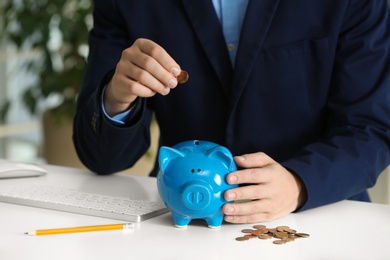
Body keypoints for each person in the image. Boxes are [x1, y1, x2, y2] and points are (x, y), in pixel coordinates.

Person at [73, 0, 390, 224]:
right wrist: (116, 98)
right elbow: (101, 158)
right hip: (178, 222)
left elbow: (371, 128)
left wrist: (299, 183)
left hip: (320, 219)